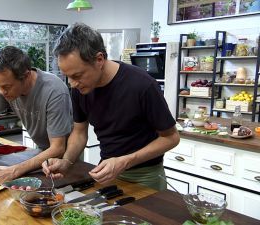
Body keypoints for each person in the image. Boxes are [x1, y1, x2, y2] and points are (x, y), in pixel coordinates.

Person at [42, 23, 180, 191]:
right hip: (106, 171)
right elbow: (79, 132)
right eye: (67, 77)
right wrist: (66, 161)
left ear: (99, 59)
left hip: (145, 175)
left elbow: (171, 138)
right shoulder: (81, 88)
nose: (72, 83)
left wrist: (125, 161)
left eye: (77, 75)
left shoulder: (142, 85)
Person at [0, 46, 73, 188]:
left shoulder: (54, 91)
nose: (2, 92)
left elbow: (57, 148)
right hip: (42, 152)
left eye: (6, 87)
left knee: (58, 196)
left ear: (26, 76)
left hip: (66, 157)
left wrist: (12, 172)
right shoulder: (4, 84)